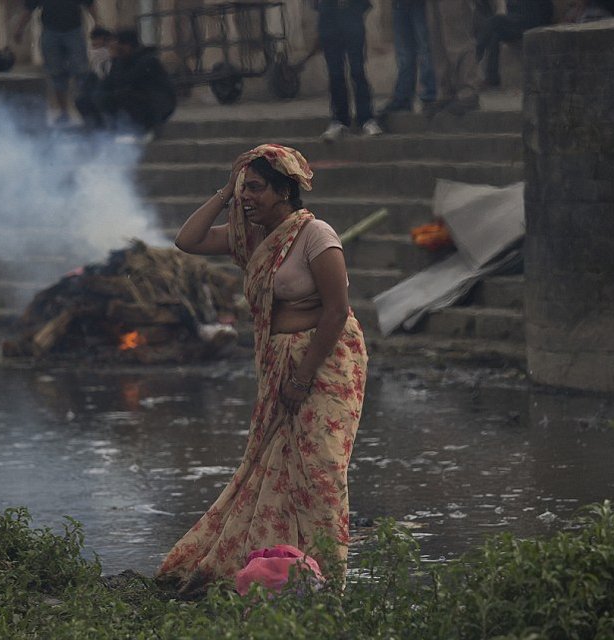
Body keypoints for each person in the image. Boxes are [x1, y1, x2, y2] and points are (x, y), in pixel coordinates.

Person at [157, 144, 369, 597]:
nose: (246, 198)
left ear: (284, 191)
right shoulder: (252, 238)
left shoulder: (315, 235)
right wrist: (225, 192)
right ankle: (284, 572)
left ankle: (330, 580)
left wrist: (303, 377)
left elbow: (336, 311)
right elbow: (187, 240)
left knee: (322, 467)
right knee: (274, 465)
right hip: (277, 361)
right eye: (243, 189)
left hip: (326, 361)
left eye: (254, 188)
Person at [14, 0, 99, 125]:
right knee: (56, 73)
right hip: (51, 32)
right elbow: (29, 8)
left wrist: (98, 24)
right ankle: (63, 112)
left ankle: (87, 111)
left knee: (81, 72)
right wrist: (20, 28)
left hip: (74, 31)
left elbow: (89, 4)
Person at [312, 0, 383, 141]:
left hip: (351, 11)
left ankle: (366, 119)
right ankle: (339, 119)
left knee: (357, 70)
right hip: (328, 15)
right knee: (335, 72)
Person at [94, 29, 176, 137]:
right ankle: (105, 131)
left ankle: (147, 128)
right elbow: (109, 82)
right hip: (140, 98)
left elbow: (126, 80)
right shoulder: (121, 60)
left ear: (127, 45)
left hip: (158, 103)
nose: (114, 48)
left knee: (123, 96)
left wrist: (115, 59)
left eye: (118, 45)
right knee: (97, 96)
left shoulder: (148, 60)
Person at [474, 0, 553, 89]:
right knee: (495, 34)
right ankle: (492, 79)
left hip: (532, 22)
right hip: (520, 21)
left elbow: (539, 13)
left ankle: (475, 55)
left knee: (494, 21)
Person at [380, 0, 437, 117]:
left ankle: (429, 96)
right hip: (399, 4)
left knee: (425, 50)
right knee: (404, 54)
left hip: (420, 4)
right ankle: (403, 97)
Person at [75, 27, 113, 129]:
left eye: (97, 39)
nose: (94, 42)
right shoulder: (93, 53)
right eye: (94, 39)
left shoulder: (107, 53)